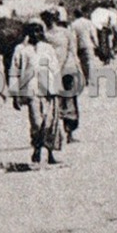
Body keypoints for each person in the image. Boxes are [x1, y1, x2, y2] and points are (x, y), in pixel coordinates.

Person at [9, 21, 63, 165]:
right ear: (28, 33)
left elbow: (56, 68)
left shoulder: (48, 48)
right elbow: (14, 72)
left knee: (50, 123)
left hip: (49, 89)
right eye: (33, 31)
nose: (36, 34)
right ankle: (37, 149)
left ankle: (50, 153)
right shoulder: (21, 50)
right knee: (36, 123)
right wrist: (15, 95)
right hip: (31, 90)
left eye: (39, 31)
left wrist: (59, 89)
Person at [42, 8, 81, 142]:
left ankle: (69, 132)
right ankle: (56, 134)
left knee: (69, 99)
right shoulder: (43, 35)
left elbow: (73, 52)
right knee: (54, 102)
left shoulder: (66, 33)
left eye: (51, 18)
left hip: (66, 70)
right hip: (52, 71)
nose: (49, 21)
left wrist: (78, 69)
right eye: (47, 18)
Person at [70, 6, 99, 86]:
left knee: (83, 63)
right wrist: (96, 44)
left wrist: (74, 49)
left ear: (74, 15)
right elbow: (93, 35)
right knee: (90, 62)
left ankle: (87, 78)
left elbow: (73, 38)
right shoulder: (89, 22)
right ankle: (90, 78)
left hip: (80, 46)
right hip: (89, 44)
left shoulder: (73, 25)